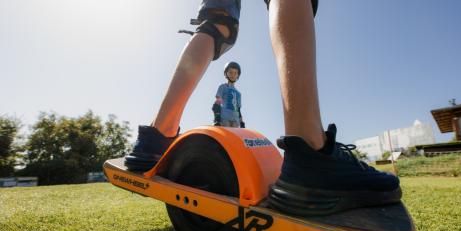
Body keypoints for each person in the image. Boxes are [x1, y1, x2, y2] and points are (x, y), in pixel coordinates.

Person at [124, 0, 402, 216]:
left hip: (232, 121)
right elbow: (219, 103)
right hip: (227, 121)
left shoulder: (237, 91)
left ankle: (155, 138)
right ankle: (311, 153)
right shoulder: (225, 90)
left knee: (216, 24)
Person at [212, 62, 245, 128]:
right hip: (225, 118)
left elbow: (238, 110)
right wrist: (217, 119)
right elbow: (217, 103)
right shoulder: (222, 86)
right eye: (230, 72)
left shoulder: (239, 93)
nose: (233, 74)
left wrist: (241, 123)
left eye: (235, 73)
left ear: (238, 76)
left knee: (233, 138)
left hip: (235, 121)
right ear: (225, 74)